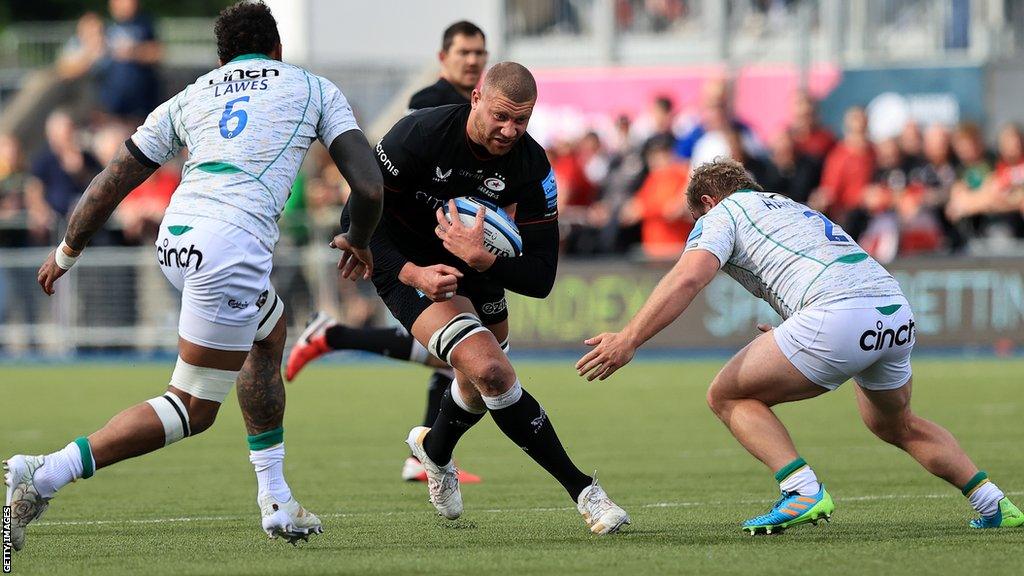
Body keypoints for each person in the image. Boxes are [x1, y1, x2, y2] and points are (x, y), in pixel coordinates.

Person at [4, 1, 383, 551]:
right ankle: (42, 472)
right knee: (192, 408)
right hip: (229, 249)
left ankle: (276, 497)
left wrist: (65, 251)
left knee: (269, 332)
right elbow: (369, 188)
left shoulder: (194, 94)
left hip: (177, 240)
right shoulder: (312, 88)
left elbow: (114, 177)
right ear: (276, 48)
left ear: (223, 56)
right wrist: (361, 239)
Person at [576, 158, 1022, 534]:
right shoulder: (790, 207)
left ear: (708, 203)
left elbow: (689, 276)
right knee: (895, 423)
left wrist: (629, 338)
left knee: (726, 395)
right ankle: (993, 504)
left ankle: (801, 490)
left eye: (697, 220)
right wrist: (801, 327)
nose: (700, 228)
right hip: (894, 312)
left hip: (838, 315)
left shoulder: (723, 214)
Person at [346, 61, 629, 534]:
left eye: (522, 119)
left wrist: (484, 262)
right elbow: (353, 218)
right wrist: (413, 272)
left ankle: (434, 451)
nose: (510, 129)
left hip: (476, 263)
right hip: (408, 265)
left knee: (478, 383)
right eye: (501, 115)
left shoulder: (533, 165)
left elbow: (541, 277)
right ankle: (586, 493)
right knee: (493, 371)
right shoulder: (418, 134)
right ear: (476, 97)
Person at [285, 20, 489, 484]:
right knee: (467, 353)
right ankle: (337, 340)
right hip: (419, 246)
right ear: (444, 58)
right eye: (464, 52)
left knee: (462, 352)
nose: (473, 60)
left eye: (480, 52)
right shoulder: (428, 105)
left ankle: (423, 453)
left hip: (453, 243)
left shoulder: (482, 113)